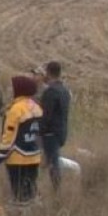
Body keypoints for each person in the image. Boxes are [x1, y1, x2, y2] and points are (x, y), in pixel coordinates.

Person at [0, 75, 43, 205]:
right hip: (34, 156)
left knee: (18, 192)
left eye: (12, 87)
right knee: (31, 189)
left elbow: (9, 134)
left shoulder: (15, 109)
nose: (9, 89)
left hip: (17, 157)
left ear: (19, 89)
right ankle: (33, 212)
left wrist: (0, 155)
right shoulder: (36, 107)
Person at [39, 61, 71, 193]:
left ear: (48, 73)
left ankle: (55, 191)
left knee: (53, 162)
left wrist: (40, 131)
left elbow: (46, 114)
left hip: (50, 132)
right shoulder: (65, 90)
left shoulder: (50, 92)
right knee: (50, 161)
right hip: (61, 130)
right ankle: (46, 188)